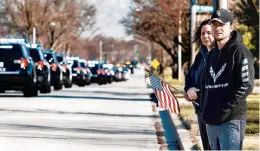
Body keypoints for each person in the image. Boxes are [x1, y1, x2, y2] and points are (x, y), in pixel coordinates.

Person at [200, 8, 255, 150]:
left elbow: (246, 85)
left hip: (231, 120)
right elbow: (206, 84)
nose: (217, 28)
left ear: (231, 27)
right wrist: (205, 108)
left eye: (221, 25)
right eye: (214, 25)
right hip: (211, 121)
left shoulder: (240, 51)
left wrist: (224, 108)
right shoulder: (212, 54)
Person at [184, 19, 214, 150]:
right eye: (202, 33)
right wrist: (189, 88)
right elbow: (190, 75)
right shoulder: (201, 54)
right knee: (207, 146)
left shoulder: (221, 55)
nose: (205, 36)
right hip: (200, 108)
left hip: (214, 109)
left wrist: (198, 91)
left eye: (209, 32)